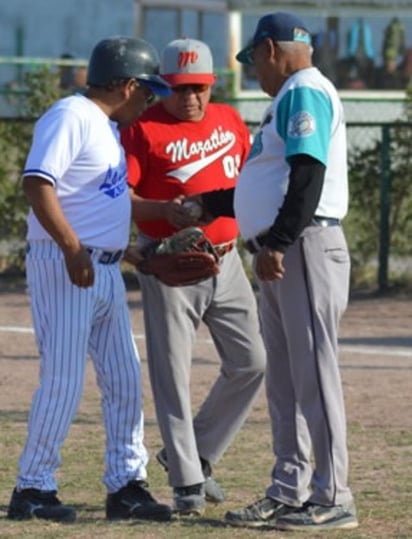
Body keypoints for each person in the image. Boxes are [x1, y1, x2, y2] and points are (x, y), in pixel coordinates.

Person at [192, 12, 358, 531]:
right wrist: (203, 205)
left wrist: (280, 240)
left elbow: (308, 174)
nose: (255, 75)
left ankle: (333, 496)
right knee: (286, 381)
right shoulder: (293, 96)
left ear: (268, 50)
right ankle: (290, 489)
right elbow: (265, 179)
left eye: (253, 62)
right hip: (286, 249)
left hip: (302, 247)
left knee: (313, 375)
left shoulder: (303, 89)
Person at [6, 36, 173, 524]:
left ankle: (126, 485)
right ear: (125, 86)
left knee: (124, 377)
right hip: (66, 265)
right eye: (147, 91)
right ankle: (33, 487)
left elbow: (104, 198)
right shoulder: (71, 116)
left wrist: (146, 233)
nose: (151, 100)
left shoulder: (104, 126)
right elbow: (38, 182)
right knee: (62, 379)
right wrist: (73, 249)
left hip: (103, 267)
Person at [120, 37, 266, 516]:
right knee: (173, 374)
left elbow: (249, 183)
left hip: (227, 260)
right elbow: (122, 196)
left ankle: (197, 453)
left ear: (211, 85)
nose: (190, 98)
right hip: (170, 263)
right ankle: (186, 482)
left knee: (252, 362)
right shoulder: (143, 127)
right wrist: (161, 210)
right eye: (180, 89)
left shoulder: (229, 120)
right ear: (164, 85)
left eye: (199, 88)